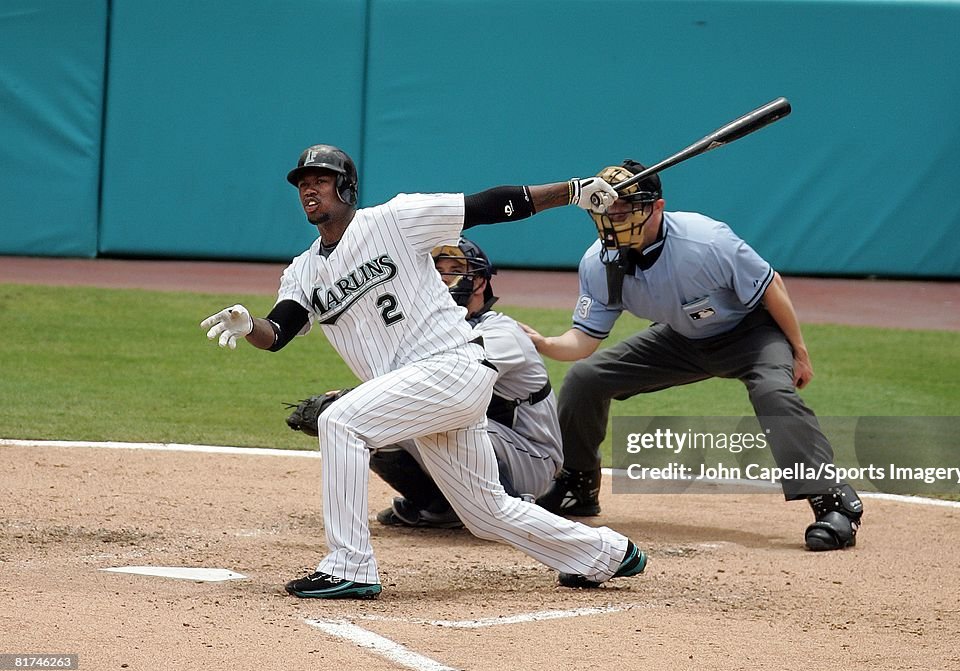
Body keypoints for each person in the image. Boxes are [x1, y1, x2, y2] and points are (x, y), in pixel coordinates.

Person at [200, 144, 647, 598]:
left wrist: (573, 191)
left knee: (340, 421)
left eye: (320, 179)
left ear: (347, 186)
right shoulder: (303, 272)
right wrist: (248, 324)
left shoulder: (394, 220)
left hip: (451, 366)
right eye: (303, 183)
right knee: (484, 510)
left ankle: (349, 566)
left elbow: (489, 205)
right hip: (424, 392)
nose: (309, 188)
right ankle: (604, 554)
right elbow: (277, 332)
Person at [524, 160, 864, 551]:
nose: (614, 218)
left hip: (751, 334)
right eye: (608, 209)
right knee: (586, 378)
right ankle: (578, 485)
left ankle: (833, 501)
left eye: (626, 208)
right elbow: (584, 340)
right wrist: (545, 343)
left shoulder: (706, 241)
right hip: (681, 341)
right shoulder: (599, 262)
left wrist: (799, 352)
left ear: (657, 207)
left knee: (773, 393)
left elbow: (772, 285)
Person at [369, 237, 563, 529]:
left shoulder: (501, 333)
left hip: (531, 457)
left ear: (480, 282)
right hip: (489, 440)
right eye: (438, 270)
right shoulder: (428, 334)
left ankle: (510, 506)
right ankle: (437, 507)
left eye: (455, 269)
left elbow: (446, 381)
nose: (444, 278)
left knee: (431, 415)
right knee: (374, 419)